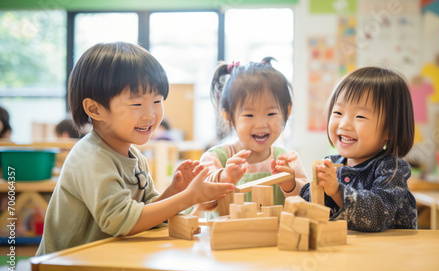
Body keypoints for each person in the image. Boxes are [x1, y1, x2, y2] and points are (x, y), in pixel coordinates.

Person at [36, 42, 235, 256]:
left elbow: (148, 215)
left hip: (107, 262)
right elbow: (121, 221)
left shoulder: (135, 156)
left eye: (157, 100)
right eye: (136, 104)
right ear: (95, 109)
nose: (150, 114)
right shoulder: (90, 157)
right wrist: (189, 197)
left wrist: (175, 191)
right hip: (64, 268)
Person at [300, 66, 418, 232]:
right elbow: (312, 207)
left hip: (388, 254)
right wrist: (290, 186)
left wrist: (336, 191)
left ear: (390, 130)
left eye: (360, 116)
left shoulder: (393, 169)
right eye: (338, 112)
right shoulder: (331, 164)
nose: (344, 124)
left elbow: (376, 215)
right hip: (347, 254)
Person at [196, 57, 308, 216]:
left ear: (287, 112)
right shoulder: (215, 158)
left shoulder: (288, 160)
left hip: (273, 240)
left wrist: (291, 185)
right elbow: (201, 199)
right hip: (226, 239)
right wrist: (224, 176)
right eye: (249, 115)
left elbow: (306, 204)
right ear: (229, 117)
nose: (261, 124)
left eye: (271, 113)